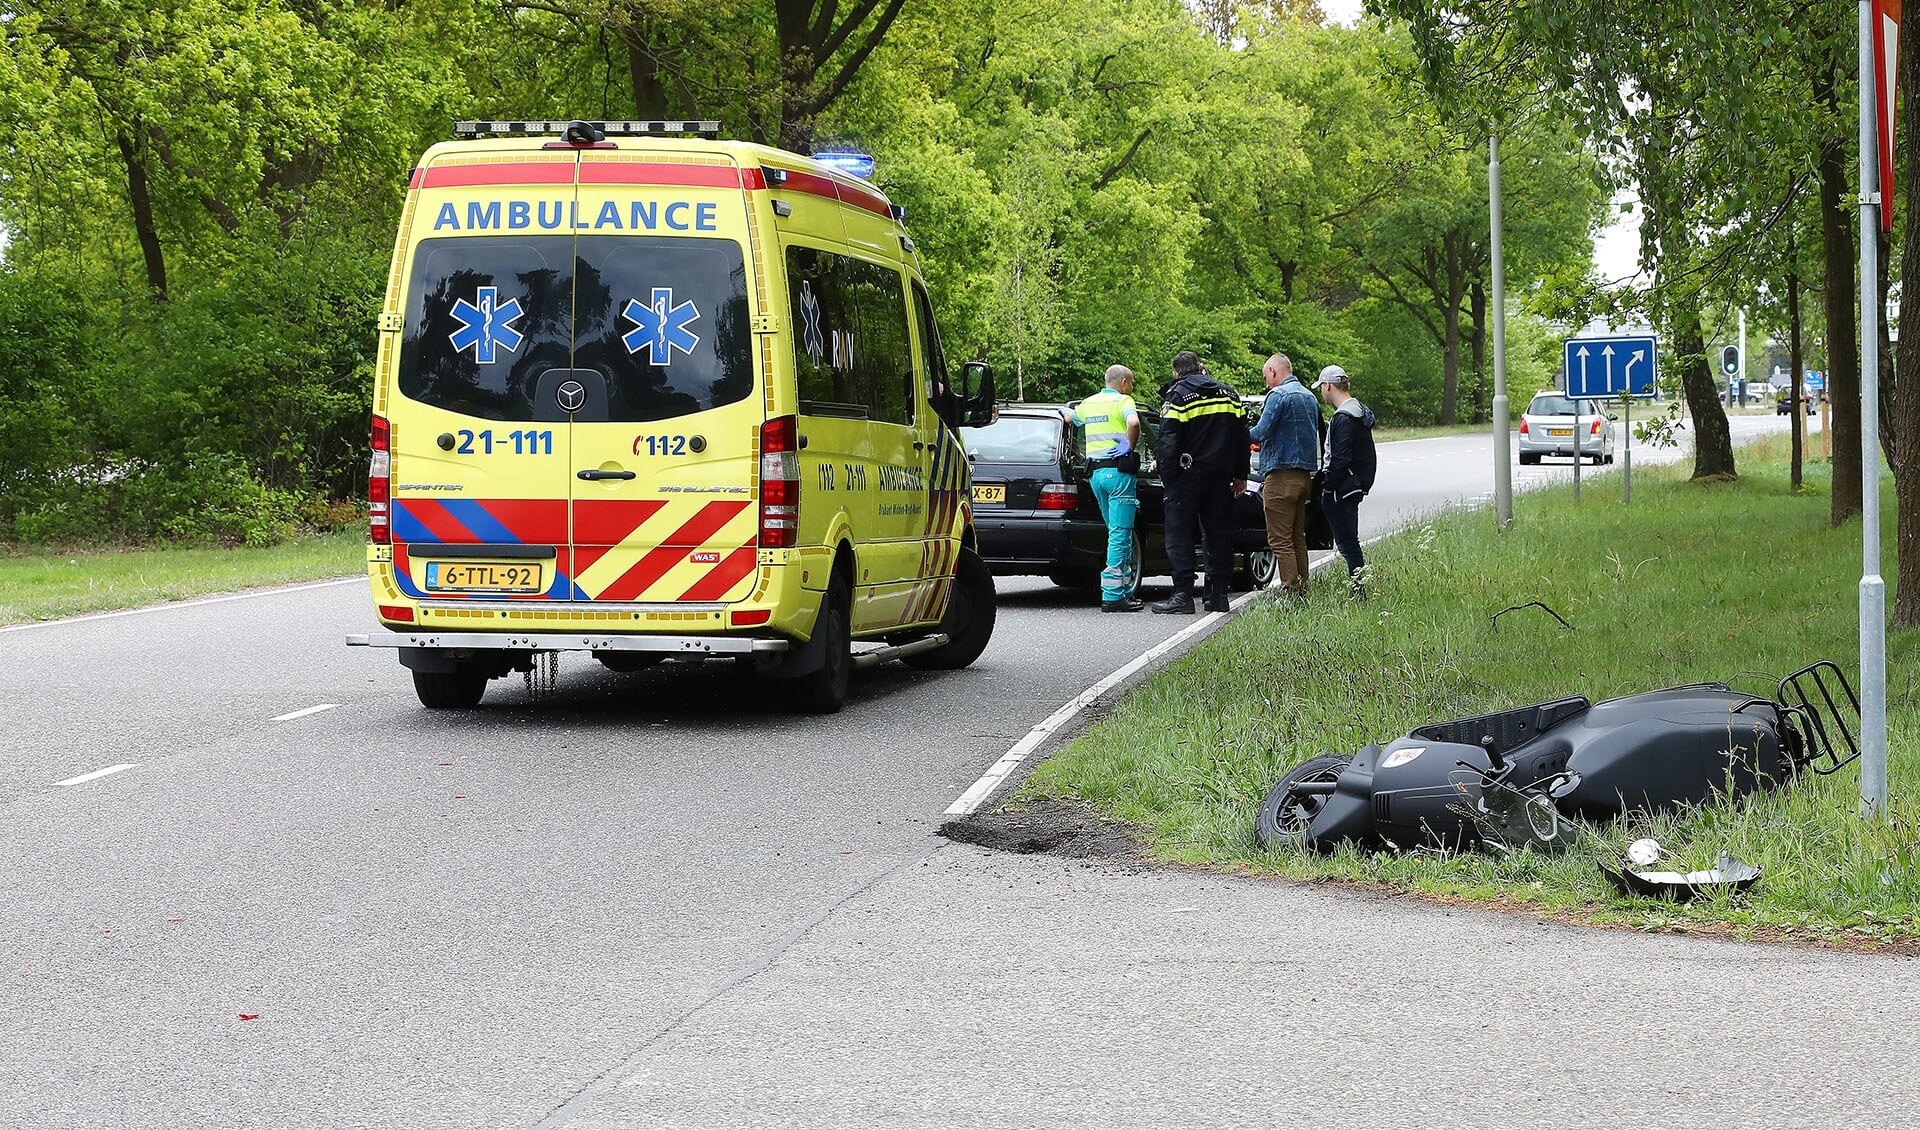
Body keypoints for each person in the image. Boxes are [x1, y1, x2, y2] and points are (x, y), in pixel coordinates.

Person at [1150, 350, 1250, 615]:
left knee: (1179, 535)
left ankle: (1183, 595)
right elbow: (1243, 437)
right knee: (1218, 535)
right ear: (1200, 368)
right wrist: (1241, 474)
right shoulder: (1229, 395)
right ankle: (1218, 595)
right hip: (1221, 478)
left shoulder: (1178, 396)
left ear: (1176, 373)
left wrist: (1166, 475)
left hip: (1187, 477)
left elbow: (1169, 440)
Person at [1062, 365, 1145, 612]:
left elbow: (1070, 418)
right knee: (1121, 533)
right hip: (1118, 474)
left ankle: (1124, 588)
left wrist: (1063, 410)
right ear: (1122, 383)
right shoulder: (1123, 401)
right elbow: (1133, 422)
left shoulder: (1089, 403)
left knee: (1115, 532)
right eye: (1131, 383)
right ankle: (1113, 594)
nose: (1131, 388)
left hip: (1096, 475)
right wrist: (1129, 445)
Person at [1247, 353, 1321, 597]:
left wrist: (1237, 433)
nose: (1266, 381)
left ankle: (1290, 590)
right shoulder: (1310, 396)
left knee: (1279, 538)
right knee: (1297, 536)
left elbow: (1261, 432)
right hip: (1303, 476)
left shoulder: (1278, 395)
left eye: (1266, 376)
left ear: (1273, 371)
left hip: (1280, 475)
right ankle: (1302, 588)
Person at [1315, 364, 1377, 599]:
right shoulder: (1358, 410)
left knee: (1348, 544)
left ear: (1328, 385)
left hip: (1343, 489)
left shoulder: (1343, 417)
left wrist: (1328, 486)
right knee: (1351, 541)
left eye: (1322, 386)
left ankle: (1358, 591)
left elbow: (1340, 457)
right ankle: (1358, 586)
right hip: (1357, 484)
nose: (1322, 391)